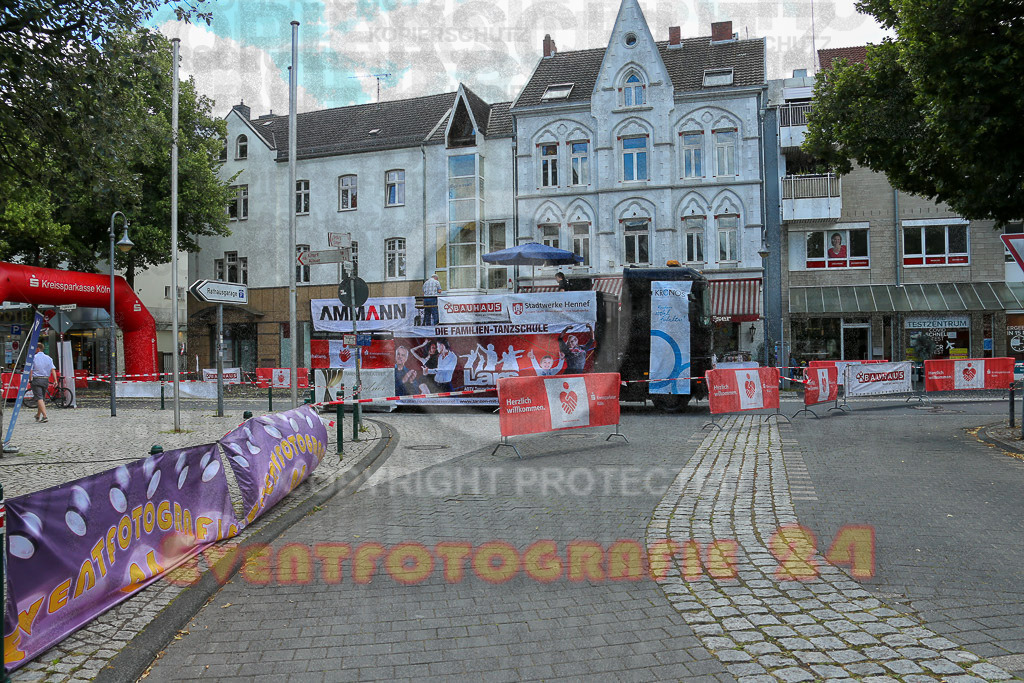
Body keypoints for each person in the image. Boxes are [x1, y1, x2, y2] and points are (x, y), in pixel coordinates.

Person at [31, 343, 55, 423]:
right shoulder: (48, 358)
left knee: (39, 398)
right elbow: (53, 369)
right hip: (45, 380)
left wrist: (30, 379)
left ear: (38, 349)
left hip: (36, 379)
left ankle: (45, 416)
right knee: (42, 398)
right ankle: (38, 415)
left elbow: (30, 370)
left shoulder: (33, 358)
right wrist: (55, 380)